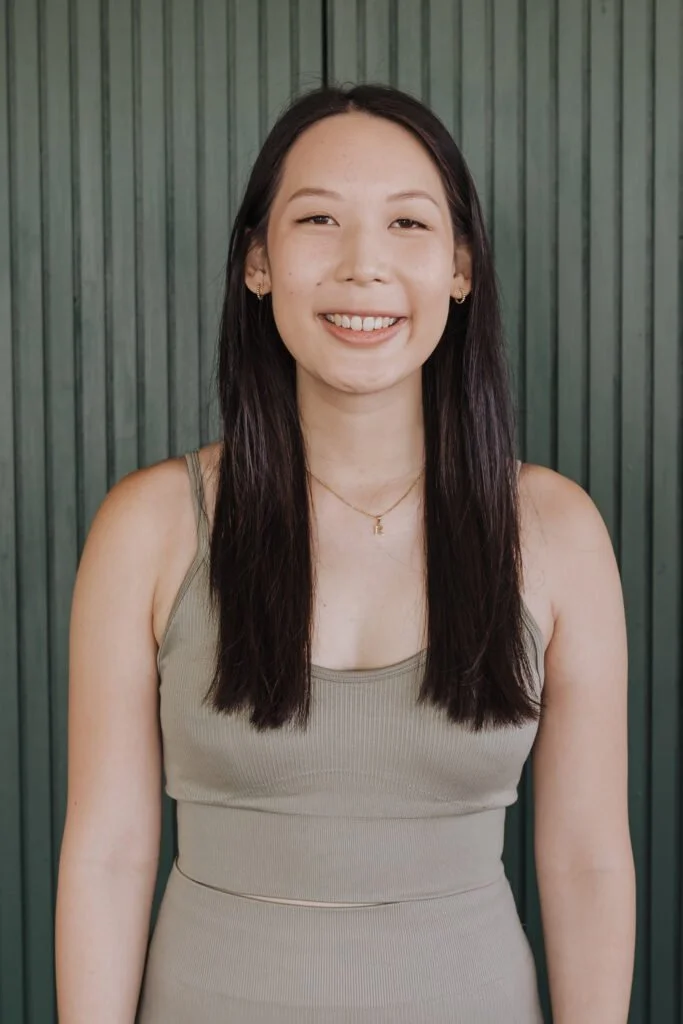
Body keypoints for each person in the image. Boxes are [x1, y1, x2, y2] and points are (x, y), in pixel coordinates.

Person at [55, 83, 635, 1022]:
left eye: (407, 225)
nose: (363, 268)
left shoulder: (557, 532)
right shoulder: (150, 526)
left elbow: (586, 858)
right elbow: (108, 852)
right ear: (257, 261)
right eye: (317, 219)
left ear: (459, 268)